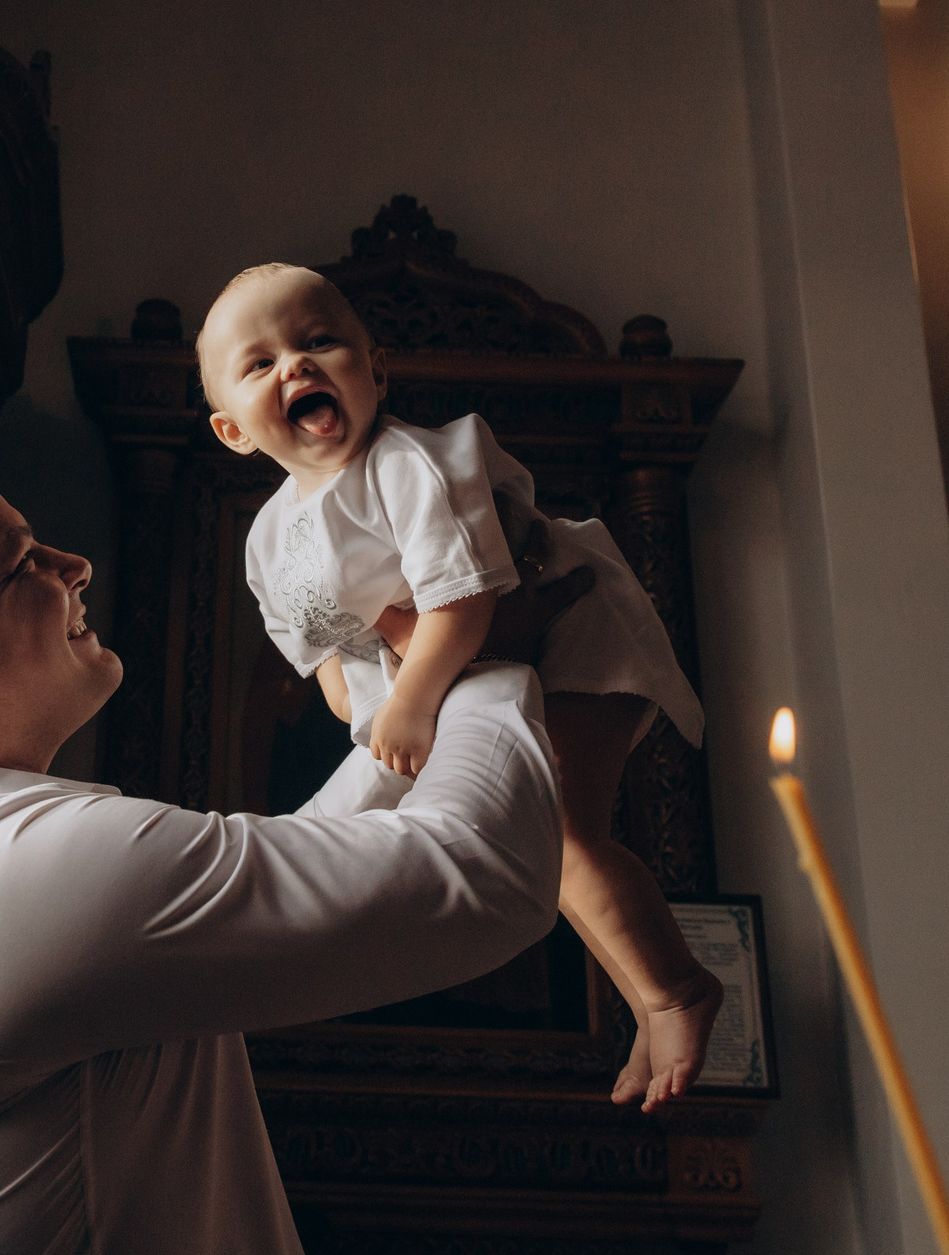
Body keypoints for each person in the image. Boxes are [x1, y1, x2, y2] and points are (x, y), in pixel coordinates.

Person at [0, 465, 588, 1255]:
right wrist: (484, 640)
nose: (74, 565)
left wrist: (413, 694)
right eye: (20, 562)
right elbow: (489, 876)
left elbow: (287, 877)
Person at [195, 262, 722, 1111]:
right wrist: (375, 714)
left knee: (568, 837)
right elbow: (330, 660)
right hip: (460, 674)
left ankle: (679, 993)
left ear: (377, 370)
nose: (294, 366)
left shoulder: (407, 463)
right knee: (551, 854)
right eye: (259, 364)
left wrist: (408, 700)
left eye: (318, 340)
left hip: (569, 632)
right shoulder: (270, 539)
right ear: (233, 431)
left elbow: (464, 602)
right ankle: (649, 1002)